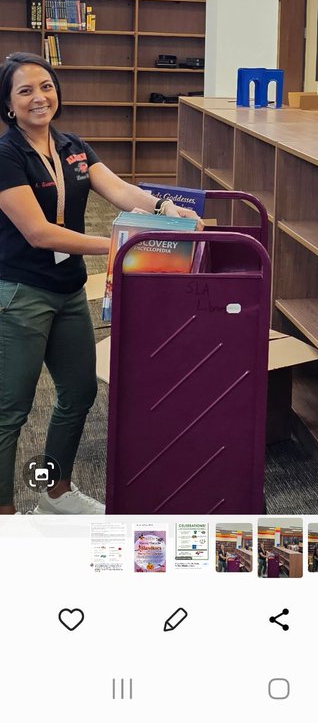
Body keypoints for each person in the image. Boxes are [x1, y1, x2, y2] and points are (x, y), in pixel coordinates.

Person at [0, 52, 202, 517]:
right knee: (11, 410)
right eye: (25, 91)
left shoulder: (72, 146)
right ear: (9, 105)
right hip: (22, 294)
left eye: (46, 86)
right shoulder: (6, 155)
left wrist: (164, 211)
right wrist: (120, 245)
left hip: (69, 291)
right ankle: (5, 514)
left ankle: (55, 493)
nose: (39, 97)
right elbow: (39, 233)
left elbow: (122, 191)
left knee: (78, 394)